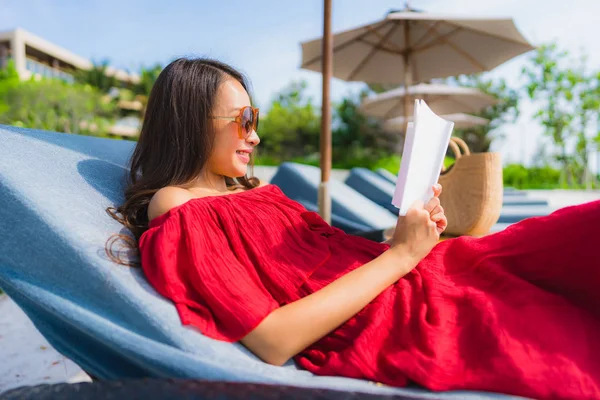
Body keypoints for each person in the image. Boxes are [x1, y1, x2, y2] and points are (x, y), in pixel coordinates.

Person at [106, 57, 600, 400]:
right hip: (406, 311)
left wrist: (407, 234)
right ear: (191, 122)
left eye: (254, 118)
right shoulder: (179, 205)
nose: (255, 134)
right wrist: (401, 257)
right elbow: (273, 338)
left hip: (429, 272)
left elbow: (329, 259)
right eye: (242, 120)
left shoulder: (250, 193)